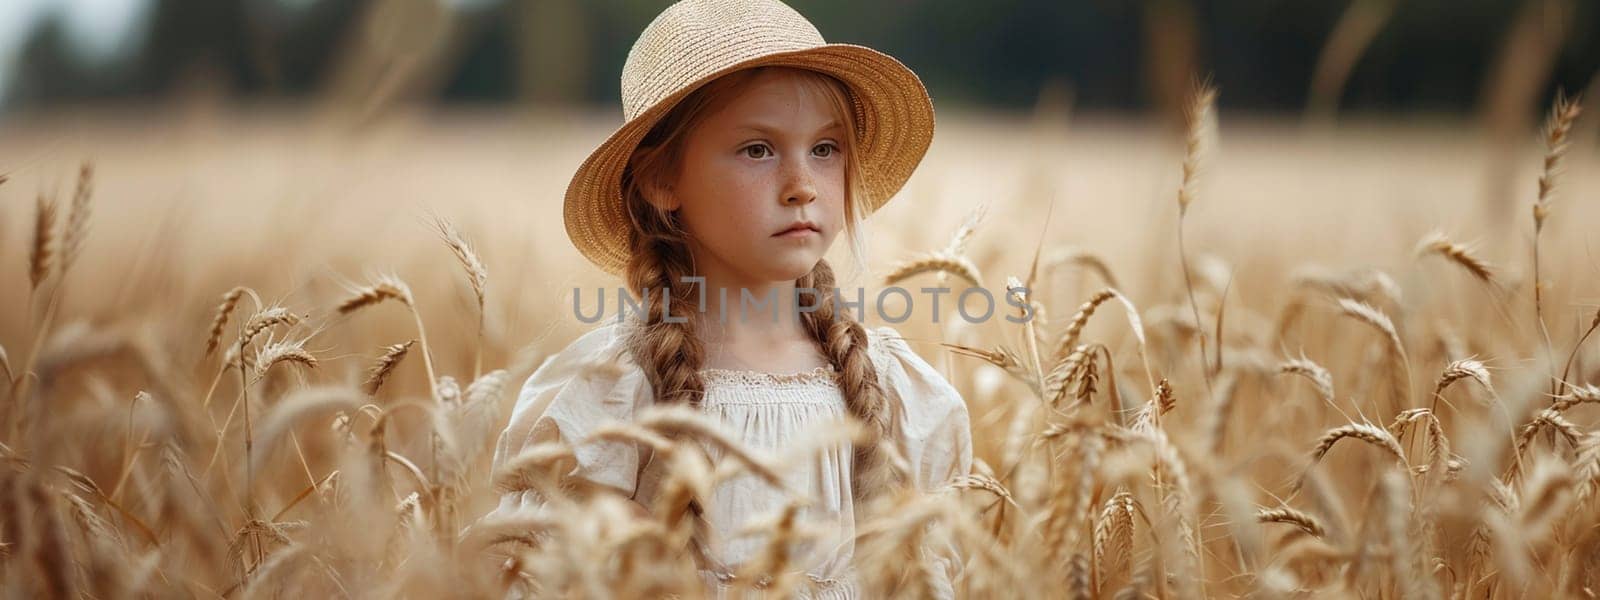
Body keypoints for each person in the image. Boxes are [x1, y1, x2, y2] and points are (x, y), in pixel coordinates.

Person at [486, 0, 972, 597]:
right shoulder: (612, 395)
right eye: (757, 150)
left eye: (825, 149)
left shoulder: (892, 391)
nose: (801, 187)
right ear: (662, 180)